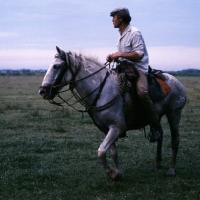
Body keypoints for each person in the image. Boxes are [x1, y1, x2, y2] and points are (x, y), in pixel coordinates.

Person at [106, 7, 161, 142]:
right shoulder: (120, 34)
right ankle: (120, 123)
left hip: (138, 69)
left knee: (142, 92)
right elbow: (124, 55)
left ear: (121, 18)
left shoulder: (135, 33)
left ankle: (155, 125)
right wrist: (114, 57)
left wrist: (119, 54)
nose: (112, 20)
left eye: (114, 17)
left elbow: (138, 54)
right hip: (124, 68)